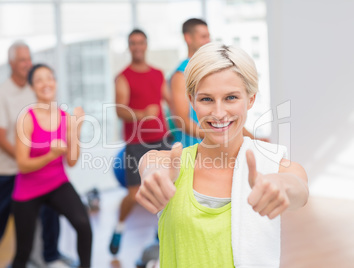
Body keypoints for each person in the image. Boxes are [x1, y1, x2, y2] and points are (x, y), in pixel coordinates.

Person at [136, 43, 309, 267]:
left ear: (251, 99)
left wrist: (279, 185)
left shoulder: (275, 167)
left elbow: (299, 189)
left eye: (231, 98)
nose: (218, 113)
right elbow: (150, 166)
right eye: (206, 99)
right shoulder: (167, 164)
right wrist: (154, 176)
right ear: (192, 100)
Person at [0, 41, 66, 268]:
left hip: (29, 168)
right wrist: (27, 160)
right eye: (22, 60)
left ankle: (50, 256)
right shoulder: (3, 93)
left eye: (29, 59)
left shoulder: (34, 89)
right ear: (11, 63)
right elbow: (0, 137)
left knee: (49, 211)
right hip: (2, 170)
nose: (27, 64)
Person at [12, 64, 92, 268]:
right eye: (39, 80)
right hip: (28, 189)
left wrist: (77, 130)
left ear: (55, 83)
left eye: (49, 78)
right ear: (32, 86)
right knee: (24, 250)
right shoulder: (26, 119)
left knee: (83, 225)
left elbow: (72, 162)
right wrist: (50, 155)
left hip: (57, 182)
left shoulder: (65, 118)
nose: (45, 83)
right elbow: (22, 165)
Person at [110, 29, 171, 255]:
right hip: (137, 143)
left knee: (168, 190)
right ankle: (119, 228)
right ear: (129, 46)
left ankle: (160, 234)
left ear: (146, 45)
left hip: (162, 139)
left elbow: (171, 100)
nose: (137, 46)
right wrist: (142, 113)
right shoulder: (123, 77)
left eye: (141, 42)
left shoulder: (158, 73)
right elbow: (119, 110)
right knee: (135, 194)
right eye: (133, 43)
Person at [170, 18, 255, 147]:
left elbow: (230, 117)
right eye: (203, 37)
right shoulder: (181, 75)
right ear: (188, 38)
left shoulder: (214, 68)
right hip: (194, 151)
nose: (208, 41)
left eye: (208, 36)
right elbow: (183, 122)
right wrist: (220, 133)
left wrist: (255, 140)